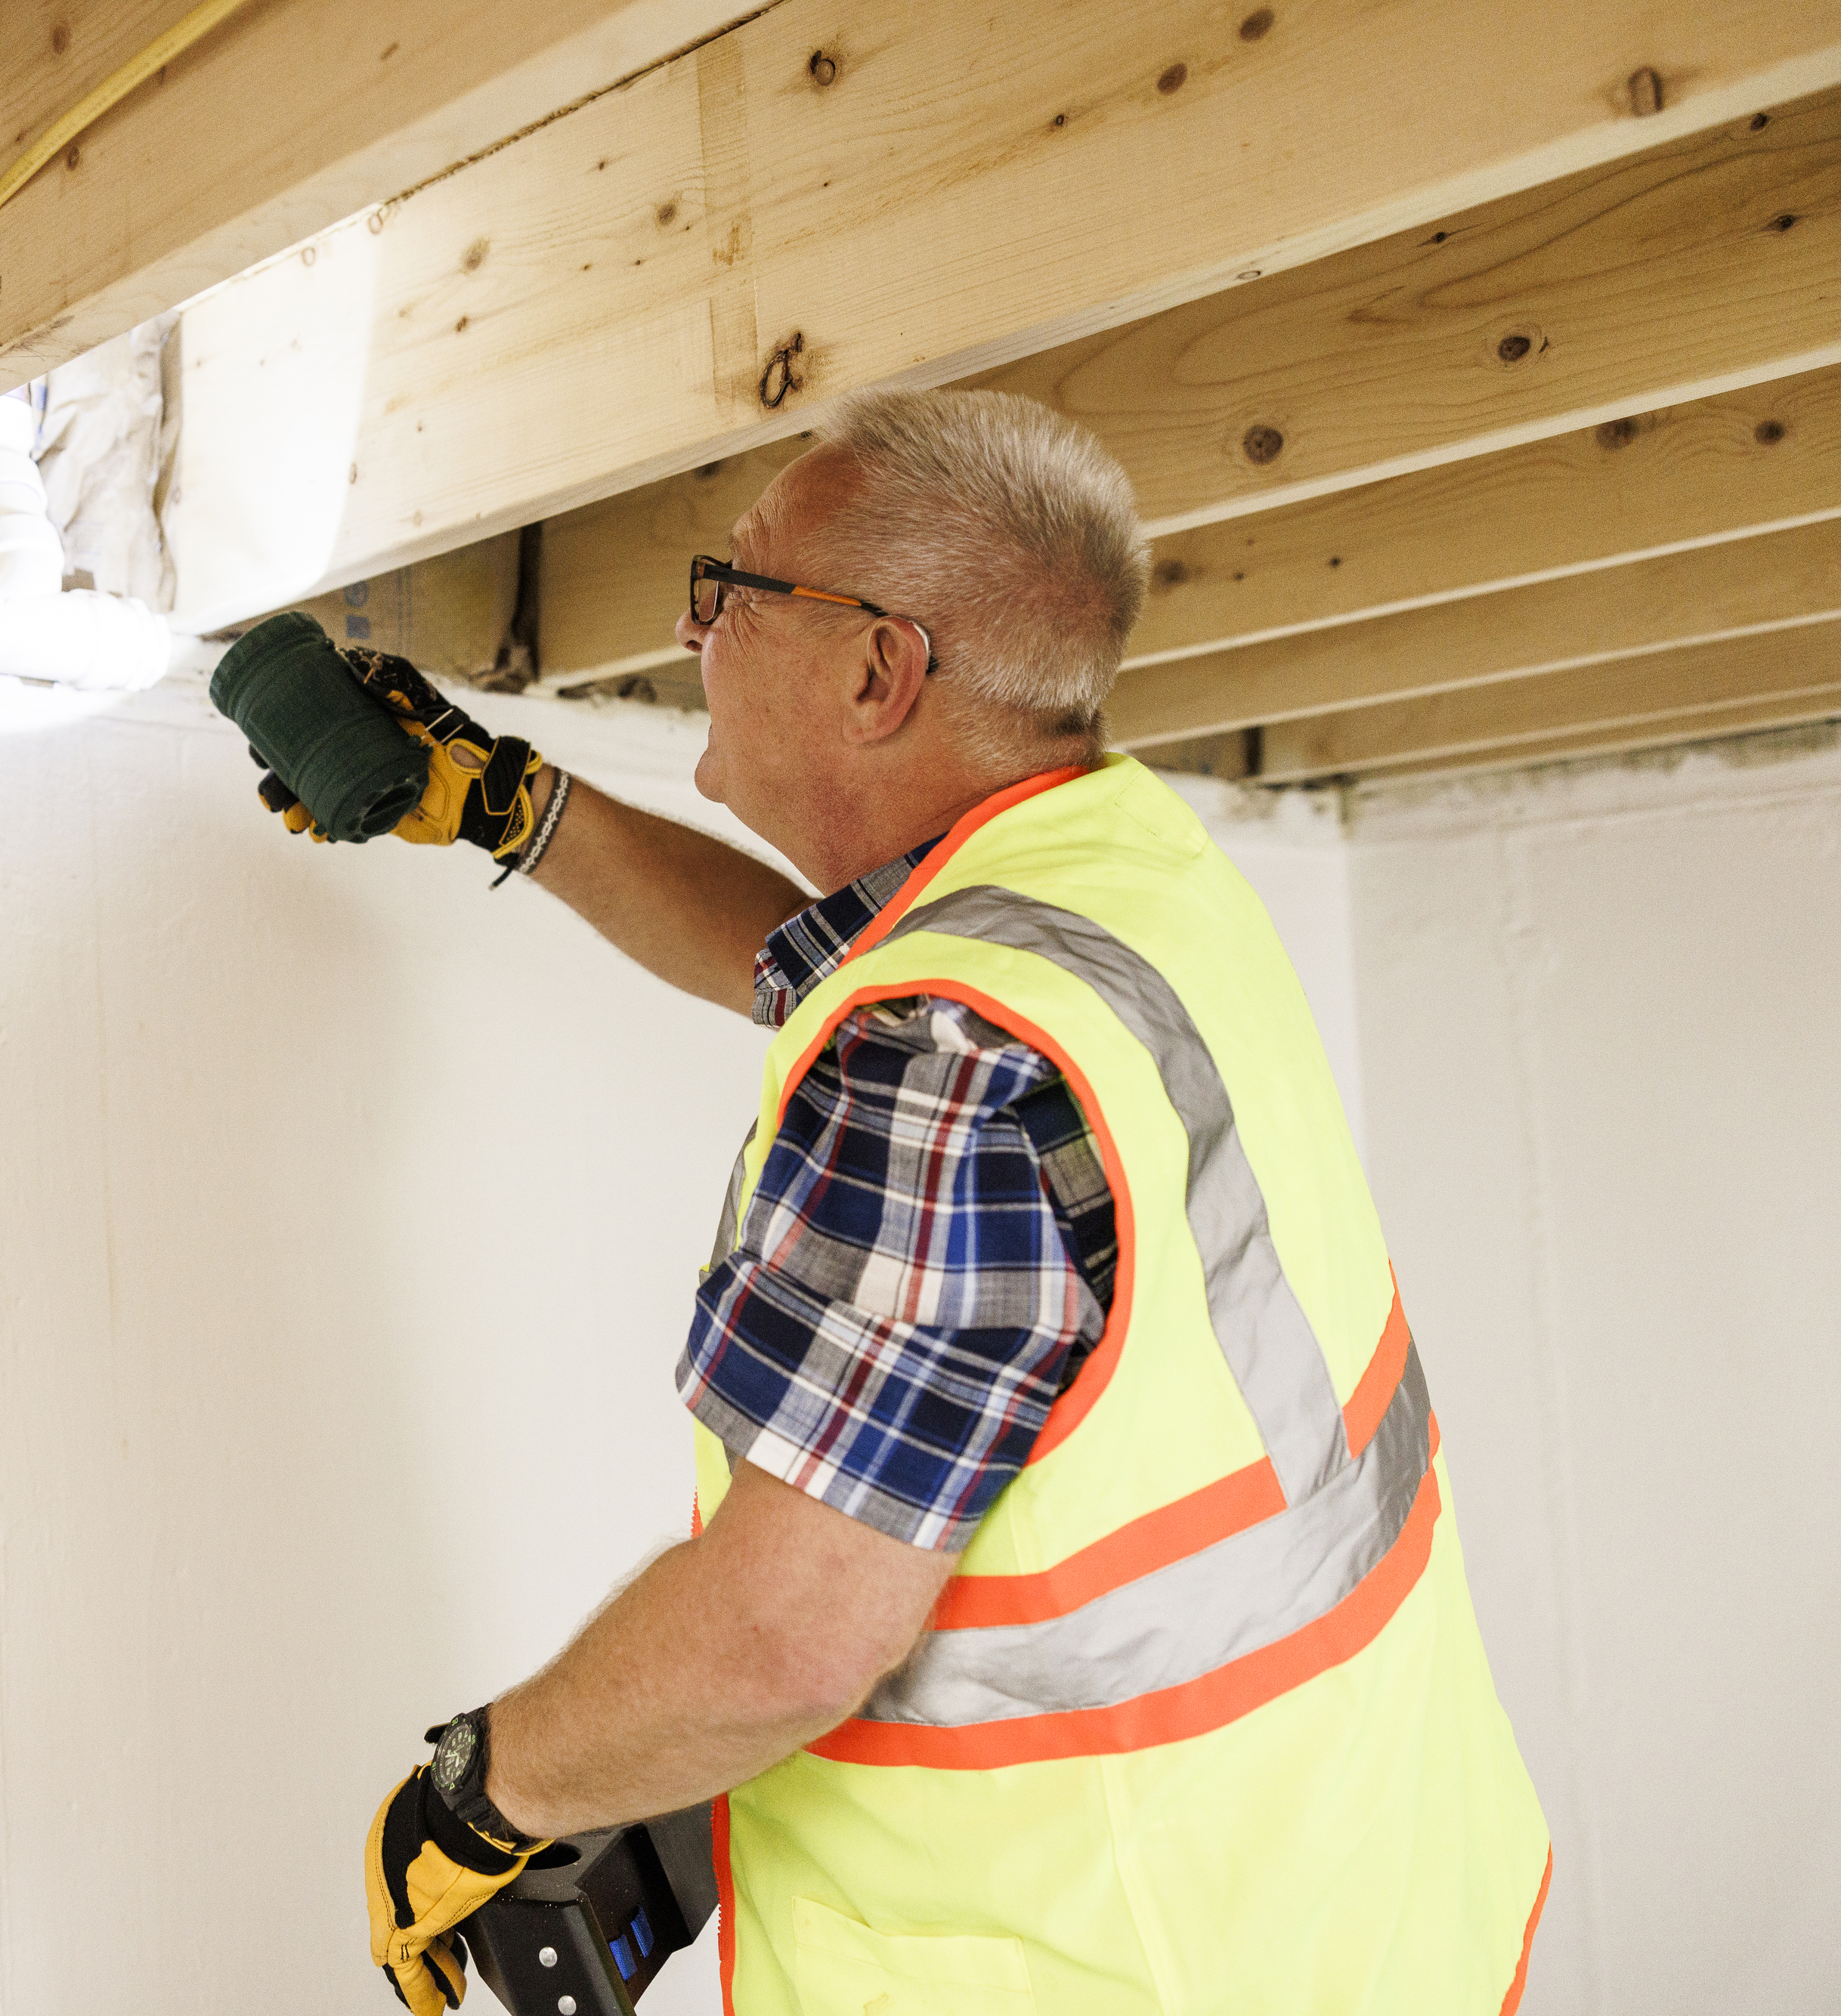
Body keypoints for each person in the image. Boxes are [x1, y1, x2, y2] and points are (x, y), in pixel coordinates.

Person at [255, 388, 1552, 2016]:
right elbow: (814, 966)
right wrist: (514, 803)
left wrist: (478, 1792)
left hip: (1110, 1964)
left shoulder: (940, 1054)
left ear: (876, 669)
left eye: (732, 584)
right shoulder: (1119, 875)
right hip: (1356, 1902)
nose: (686, 621)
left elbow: (785, 1636)